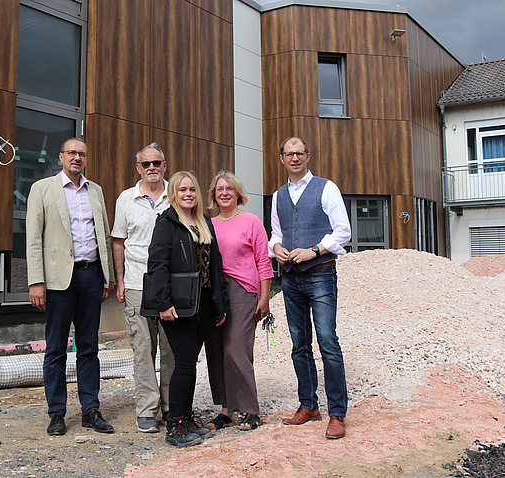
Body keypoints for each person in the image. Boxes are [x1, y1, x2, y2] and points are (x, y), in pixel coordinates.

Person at [26, 137, 115, 436]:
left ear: (86, 159)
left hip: (91, 276)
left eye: (82, 154)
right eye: (72, 153)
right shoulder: (42, 189)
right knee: (55, 349)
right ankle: (57, 414)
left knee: (89, 347)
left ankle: (91, 410)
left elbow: (103, 235)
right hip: (58, 281)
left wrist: (107, 276)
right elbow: (33, 238)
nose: (77, 158)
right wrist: (36, 281)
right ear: (61, 157)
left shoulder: (95, 191)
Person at [269, 137, 352, 440]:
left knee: (327, 341)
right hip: (290, 278)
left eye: (299, 153)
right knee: (299, 344)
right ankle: (308, 405)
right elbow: (276, 233)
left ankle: (337, 413)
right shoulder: (278, 195)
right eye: (289, 154)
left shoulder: (326, 188)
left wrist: (314, 250)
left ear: (307, 156)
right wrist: (276, 248)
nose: (294, 158)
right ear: (282, 159)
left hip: (320, 274)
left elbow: (343, 231)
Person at [146, 171, 229, 448]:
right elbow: (157, 265)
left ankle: (186, 419)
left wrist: (219, 305)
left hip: (202, 302)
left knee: (190, 362)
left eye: (192, 189)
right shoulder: (167, 223)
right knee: (183, 362)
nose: (188, 194)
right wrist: (163, 302)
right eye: (182, 190)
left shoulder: (204, 222)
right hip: (177, 304)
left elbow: (216, 266)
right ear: (174, 193)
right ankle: (175, 425)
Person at [111, 142, 175, 433]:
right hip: (137, 283)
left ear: (164, 166)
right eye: (146, 163)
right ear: (138, 168)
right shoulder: (126, 199)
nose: (152, 168)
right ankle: (147, 410)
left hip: (171, 285)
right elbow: (118, 242)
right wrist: (121, 281)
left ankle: (171, 407)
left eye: (156, 163)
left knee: (171, 348)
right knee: (143, 348)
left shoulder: (176, 194)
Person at [204, 171, 273, 431]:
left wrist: (264, 298)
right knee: (217, 351)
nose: (224, 193)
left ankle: (250, 409)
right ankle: (226, 410)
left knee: (236, 349)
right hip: (213, 292)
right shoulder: (208, 224)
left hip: (243, 291)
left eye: (229, 188)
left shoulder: (251, 222)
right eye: (219, 189)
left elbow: (263, 261)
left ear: (237, 193)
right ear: (214, 195)